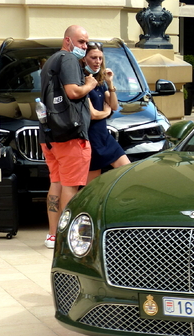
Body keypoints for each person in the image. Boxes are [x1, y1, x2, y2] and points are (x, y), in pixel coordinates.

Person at [40, 25, 97, 248]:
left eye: (86, 42)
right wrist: (91, 83)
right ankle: (66, 237)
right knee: (71, 187)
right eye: (81, 42)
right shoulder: (69, 60)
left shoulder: (51, 61)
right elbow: (73, 91)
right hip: (71, 135)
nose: (85, 47)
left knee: (56, 183)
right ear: (68, 41)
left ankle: (53, 235)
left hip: (50, 134)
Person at [83, 42, 130, 184]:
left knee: (127, 171)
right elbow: (93, 114)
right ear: (84, 58)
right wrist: (106, 112)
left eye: (100, 58)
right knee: (92, 185)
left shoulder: (100, 81)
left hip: (104, 136)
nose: (98, 61)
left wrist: (110, 84)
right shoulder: (83, 81)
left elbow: (114, 106)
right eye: (93, 57)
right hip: (92, 138)